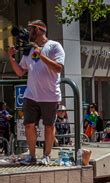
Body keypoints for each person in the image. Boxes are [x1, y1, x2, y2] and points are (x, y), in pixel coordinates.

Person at [8, 20, 65, 165]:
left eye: (30, 29)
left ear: (39, 30)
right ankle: (32, 156)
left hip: (50, 95)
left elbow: (58, 68)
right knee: (28, 125)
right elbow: (20, 72)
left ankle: (46, 156)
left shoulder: (54, 46)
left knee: (49, 126)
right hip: (31, 95)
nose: (28, 32)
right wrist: (11, 58)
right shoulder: (29, 49)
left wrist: (41, 55)